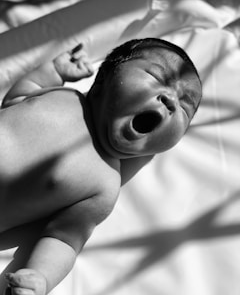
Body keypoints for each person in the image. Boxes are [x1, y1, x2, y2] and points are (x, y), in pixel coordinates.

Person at [1, 37, 202, 295]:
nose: (171, 99)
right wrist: (53, 72)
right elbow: (19, 97)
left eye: (185, 107)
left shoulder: (103, 184)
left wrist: (40, 276)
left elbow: (62, 240)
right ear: (104, 77)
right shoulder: (64, 95)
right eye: (156, 76)